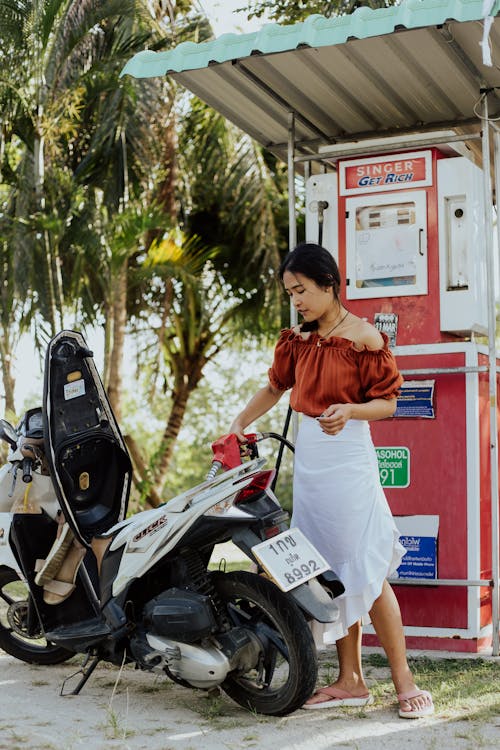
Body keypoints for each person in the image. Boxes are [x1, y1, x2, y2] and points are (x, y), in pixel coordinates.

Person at [229, 242, 434, 719]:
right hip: (314, 459)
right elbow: (276, 387)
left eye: (301, 290)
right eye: (289, 292)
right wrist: (239, 423)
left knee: (368, 565)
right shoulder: (296, 338)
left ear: (328, 284)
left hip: (349, 454)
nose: (296, 300)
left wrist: (351, 411)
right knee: (329, 570)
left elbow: (387, 402)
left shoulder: (364, 337)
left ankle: (403, 680)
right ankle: (350, 680)